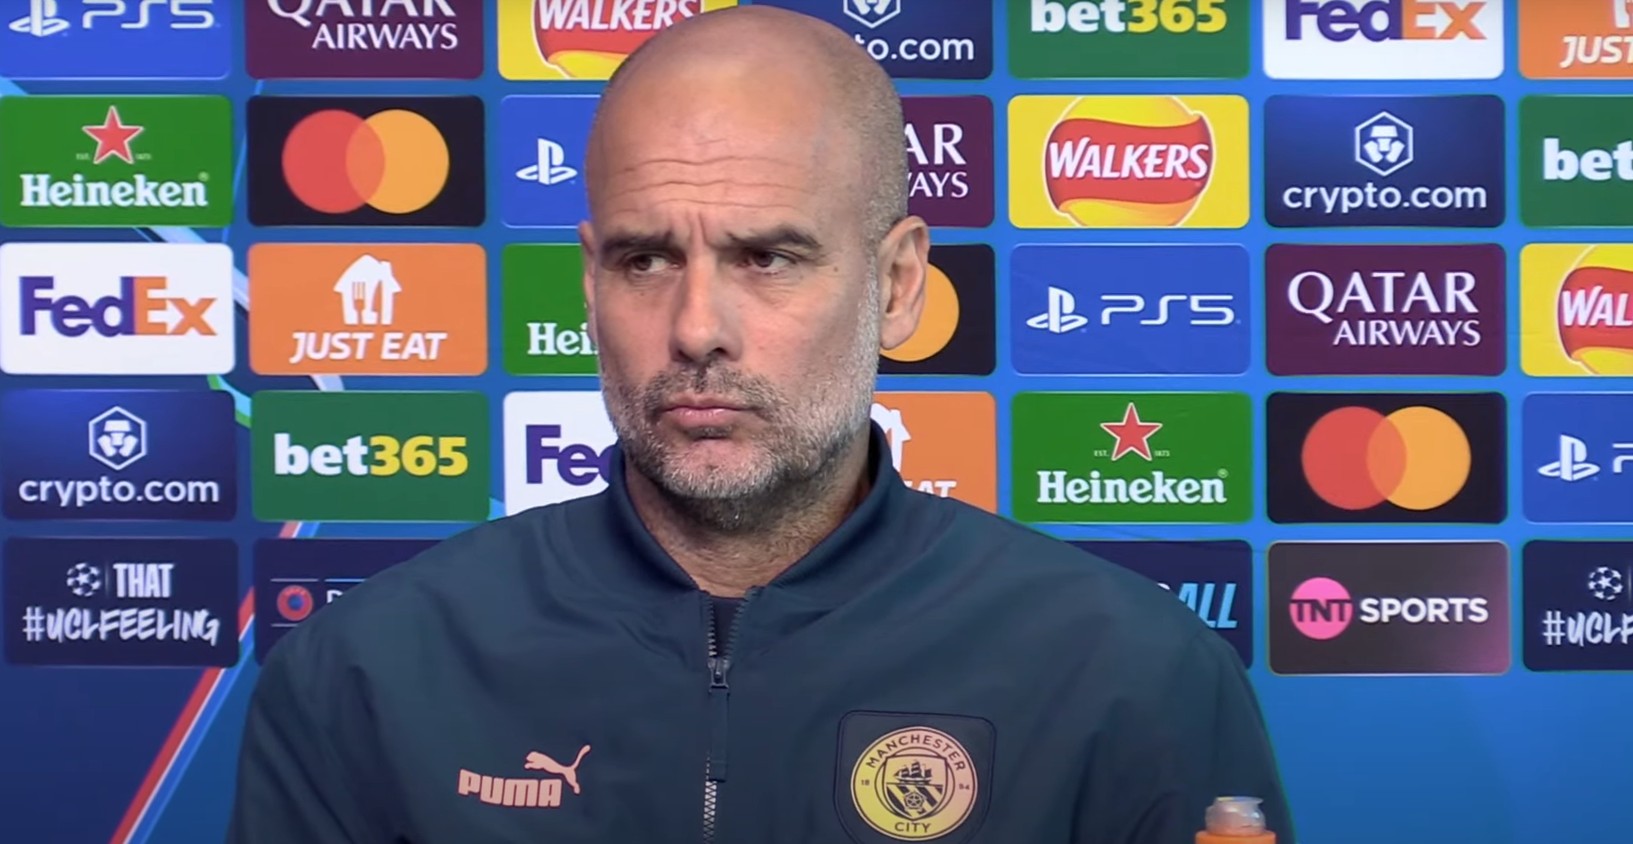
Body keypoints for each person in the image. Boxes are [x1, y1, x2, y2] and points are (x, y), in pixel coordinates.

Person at [227, 7, 1295, 843]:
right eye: (646, 259)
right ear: (590, 285)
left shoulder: (1128, 673)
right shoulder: (367, 674)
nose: (697, 328)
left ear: (898, 284)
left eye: (767, 258)